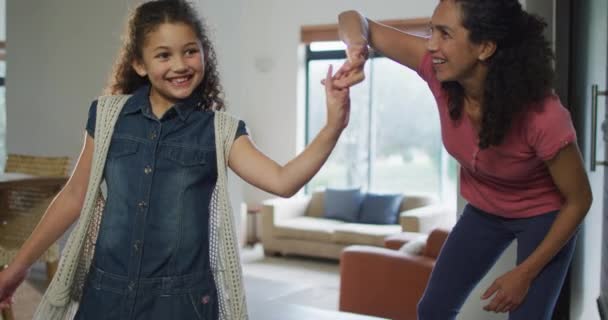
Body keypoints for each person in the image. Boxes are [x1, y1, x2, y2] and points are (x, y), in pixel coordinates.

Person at [0, 0, 349, 319]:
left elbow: (283, 181)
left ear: (204, 54)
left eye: (190, 52)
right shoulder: (107, 116)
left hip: (182, 304)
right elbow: (74, 196)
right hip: (105, 296)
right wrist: (15, 271)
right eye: (163, 55)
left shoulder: (220, 131)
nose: (179, 65)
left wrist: (334, 124)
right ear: (139, 62)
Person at [333, 1, 592, 319]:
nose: (431, 44)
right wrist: (356, 46)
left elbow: (579, 200)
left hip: (544, 217)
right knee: (433, 310)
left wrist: (524, 273)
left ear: (484, 47)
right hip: (484, 213)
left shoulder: (543, 117)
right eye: (431, 31)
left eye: (445, 34)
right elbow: (354, 19)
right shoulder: (437, 71)